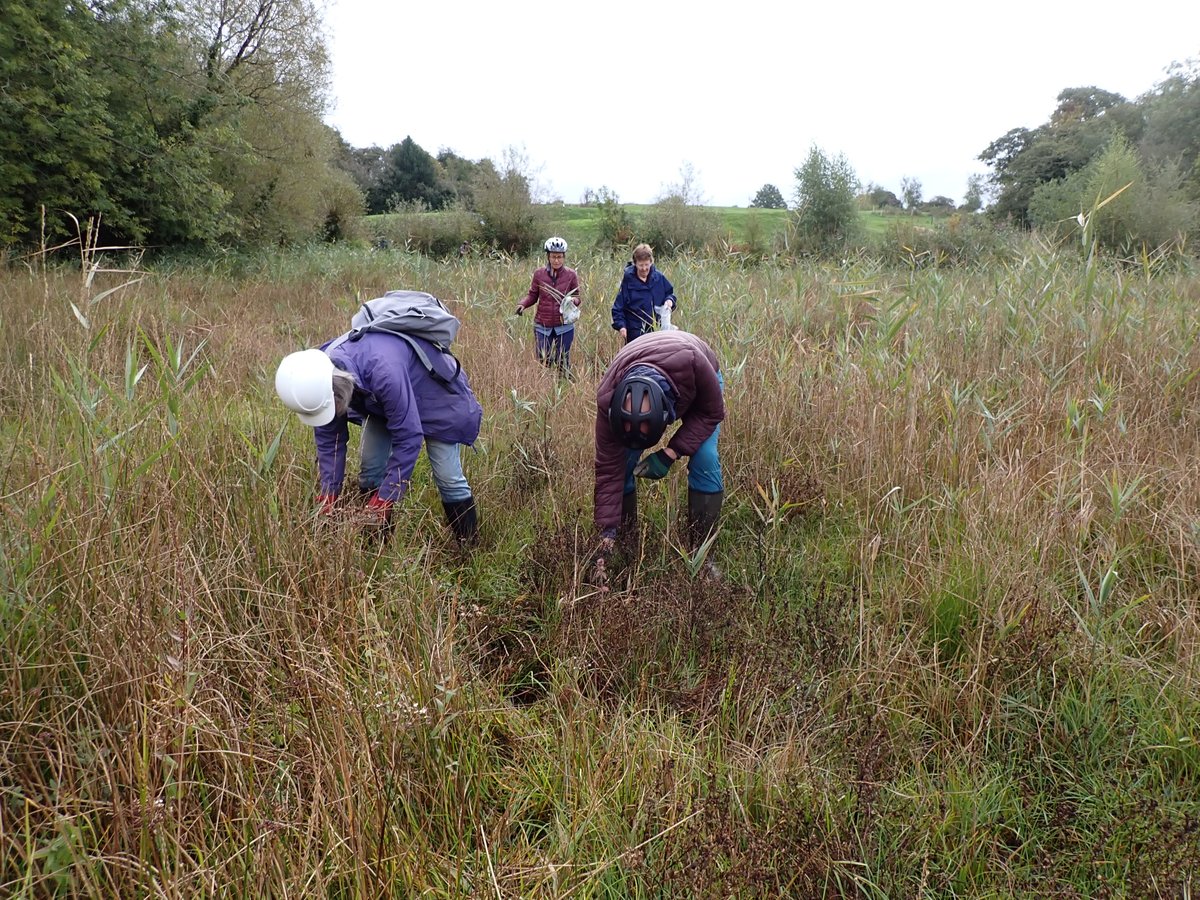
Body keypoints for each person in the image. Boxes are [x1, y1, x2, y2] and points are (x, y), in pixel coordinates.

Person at [274, 329, 483, 543]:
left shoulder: (383, 372)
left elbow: (409, 438)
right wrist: (329, 492)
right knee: (371, 470)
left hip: (435, 397)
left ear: (339, 392)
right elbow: (330, 442)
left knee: (448, 477)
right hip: (382, 401)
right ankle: (377, 544)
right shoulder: (318, 379)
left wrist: (387, 498)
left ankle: (468, 548)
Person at [592, 330, 725, 581]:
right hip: (645, 360)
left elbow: (711, 413)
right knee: (624, 461)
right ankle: (625, 543)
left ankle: (703, 556)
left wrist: (670, 453)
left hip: (697, 378)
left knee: (705, 457)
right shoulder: (608, 400)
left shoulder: (694, 361)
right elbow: (609, 470)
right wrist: (605, 538)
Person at [515, 236, 582, 377]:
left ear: (564, 257)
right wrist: (522, 304)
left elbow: (577, 297)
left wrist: (571, 301)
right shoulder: (539, 274)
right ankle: (548, 380)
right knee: (542, 357)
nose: (556, 260)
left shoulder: (571, 275)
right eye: (553, 257)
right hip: (542, 324)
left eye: (559, 257)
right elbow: (532, 295)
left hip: (564, 324)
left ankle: (564, 384)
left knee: (563, 359)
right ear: (548, 257)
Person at [611, 243, 676, 344]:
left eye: (647, 264)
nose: (644, 268)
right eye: (641, 265)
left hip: (657, 332)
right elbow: (617, 308)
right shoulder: (628, 281)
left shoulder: (659, 278)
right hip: (635, 334)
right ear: (635, 263)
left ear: (651, 262)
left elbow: (670, 294)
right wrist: (622, 327)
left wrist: (669, 300)